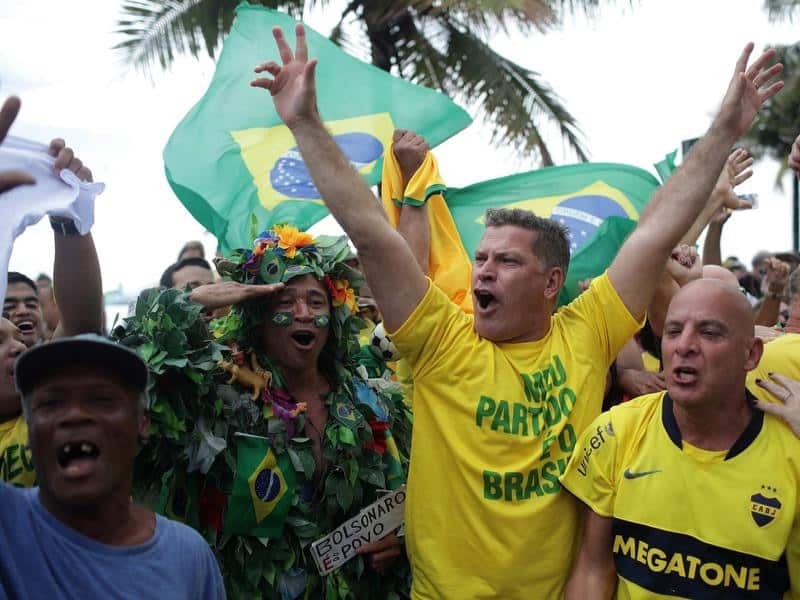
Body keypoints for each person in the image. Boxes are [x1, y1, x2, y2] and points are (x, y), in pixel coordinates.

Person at [251, 26, 783, 597]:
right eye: (480, 258)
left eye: (506, 261)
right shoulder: (439, 340)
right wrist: (306, 123)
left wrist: (724, 128)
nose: (482, 271)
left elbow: (655, 234)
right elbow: (371, 231)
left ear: (552, 282)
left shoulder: (588, 332)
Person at [118, 225, 413, 598]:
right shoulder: (216, 398)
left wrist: (397, 538)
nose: (303, 313)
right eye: (286, 302)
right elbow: (125, 381)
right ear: (257, 316)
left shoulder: (370, 403)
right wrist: (193, 302)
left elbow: (411, 498)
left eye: (316, 302)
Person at [560, 279, 799, 599]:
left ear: (751, 354)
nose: (684, 346)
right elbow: (593, 570)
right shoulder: (617, 431)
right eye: (673, 331)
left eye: (709, 333)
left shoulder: (791, 454)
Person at [0, 333, 225, 599]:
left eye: (102, 399)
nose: (75, 415)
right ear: (28, 433)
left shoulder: (188, 557)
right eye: (50, 403)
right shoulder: (7, 527)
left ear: (142, 423)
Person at [0, 97, 104, 488]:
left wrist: (66, 212)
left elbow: (82, 325)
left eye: (31, 304)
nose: (17, 344)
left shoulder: (50, 408)